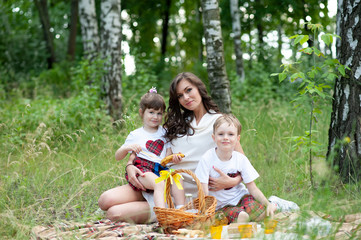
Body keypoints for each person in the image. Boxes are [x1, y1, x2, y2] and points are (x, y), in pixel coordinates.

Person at [99, 72, 244, 223]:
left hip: (189, 196)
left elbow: (242, 163)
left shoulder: (220, 123)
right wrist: (130, 165)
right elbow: (146, 143)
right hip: (160, 182)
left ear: (199, 88)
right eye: (180, 96)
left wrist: (233, 182)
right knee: (105, 200)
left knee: (114, 213)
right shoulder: (175, 124)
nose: (186, 98)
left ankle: (172, 213)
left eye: (189, 90)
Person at [98, 88, 185, 222]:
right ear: (141, 113)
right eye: (151, 112)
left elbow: (167, 157)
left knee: (177, 178)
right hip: (144, 168)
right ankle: (163, 216)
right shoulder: (136, 134)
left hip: (160, 168)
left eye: (159, 113)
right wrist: (127, 147)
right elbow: (118, 156)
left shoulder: (164, 132)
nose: (155, 117)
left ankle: (181, 210)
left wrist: (174, 158)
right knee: (158, 183)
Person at [195, 114, 277, 223]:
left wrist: (268, 205)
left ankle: (271, 205)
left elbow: (252, 187)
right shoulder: (207, 159)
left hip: (241, 198)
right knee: (242, 216)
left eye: (230, 134)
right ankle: (245, 218)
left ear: (237, 138)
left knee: (263, 211)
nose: (225, 137)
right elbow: (203, 190)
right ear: (214, 137)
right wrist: (205, 213)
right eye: (221, 134)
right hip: (222, 205)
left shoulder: (240, 159)